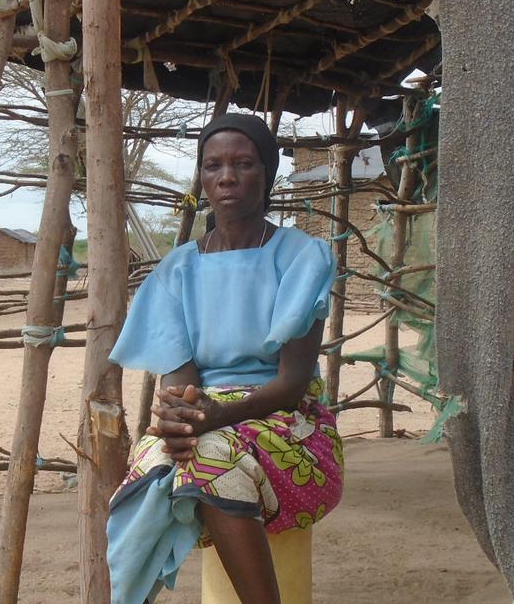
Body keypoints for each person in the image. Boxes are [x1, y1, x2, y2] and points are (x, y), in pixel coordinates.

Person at [106, 113, 344, 604]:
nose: (227, 176)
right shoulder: (177, 270)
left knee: (209, 459)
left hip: (290, 425)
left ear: (268, 173)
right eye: (213, 165)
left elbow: (292, 383)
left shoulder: (302, 257)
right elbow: (182, 381)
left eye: (243, 164)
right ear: (202, 178)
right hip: (213, 418)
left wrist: (217, 417)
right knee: (149, 470)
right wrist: (182, 414)